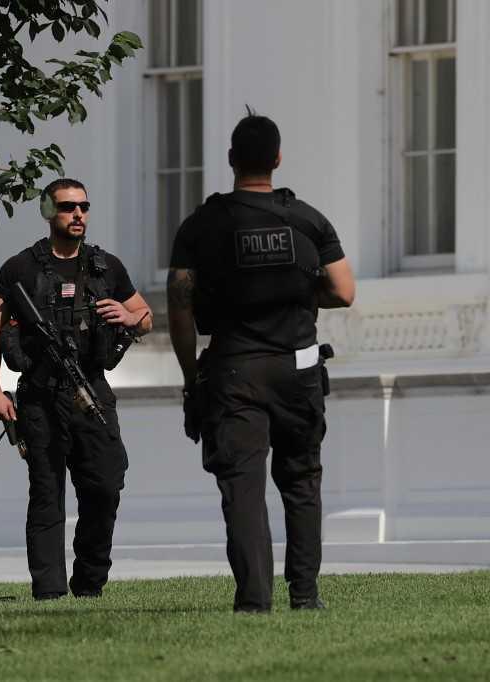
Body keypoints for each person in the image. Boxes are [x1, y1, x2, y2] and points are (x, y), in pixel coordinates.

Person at [167, 110, 356, 613]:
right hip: (298, 368)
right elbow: (344, 290)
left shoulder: (201, 225)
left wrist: (191, 376)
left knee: (243, 486)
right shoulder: (308, 219)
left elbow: (180, 310)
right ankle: (306, 593)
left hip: (234, 369)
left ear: (231, 160)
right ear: (276, 159)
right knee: (301, 479)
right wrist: (299, 291)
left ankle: (254, 599)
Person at [0, 178, 153, 600]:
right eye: (68, 207)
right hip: (40, 396)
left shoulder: (105, 266)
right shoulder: (20, 268)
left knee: (107, 484)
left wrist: (130, 319)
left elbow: (145, 315)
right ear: (48, 212)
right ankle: (50, 591)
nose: (78, 215)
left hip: (91, 390)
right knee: (46, 492)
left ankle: (90, 582)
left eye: (84, 207)